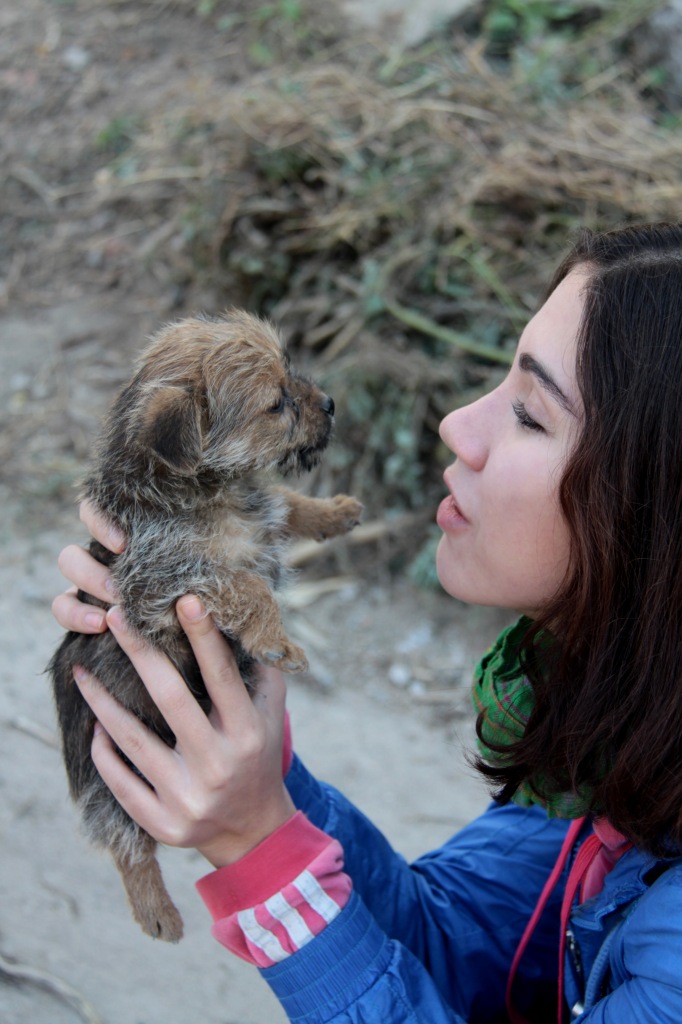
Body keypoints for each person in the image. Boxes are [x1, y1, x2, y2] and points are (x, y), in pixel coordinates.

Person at [52, 222, 682, 1024]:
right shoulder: (610, 738)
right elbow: (454, 946)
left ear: (656, 504)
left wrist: (259, 851)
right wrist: (247, 762)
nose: (458, 423)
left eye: (530, 413)